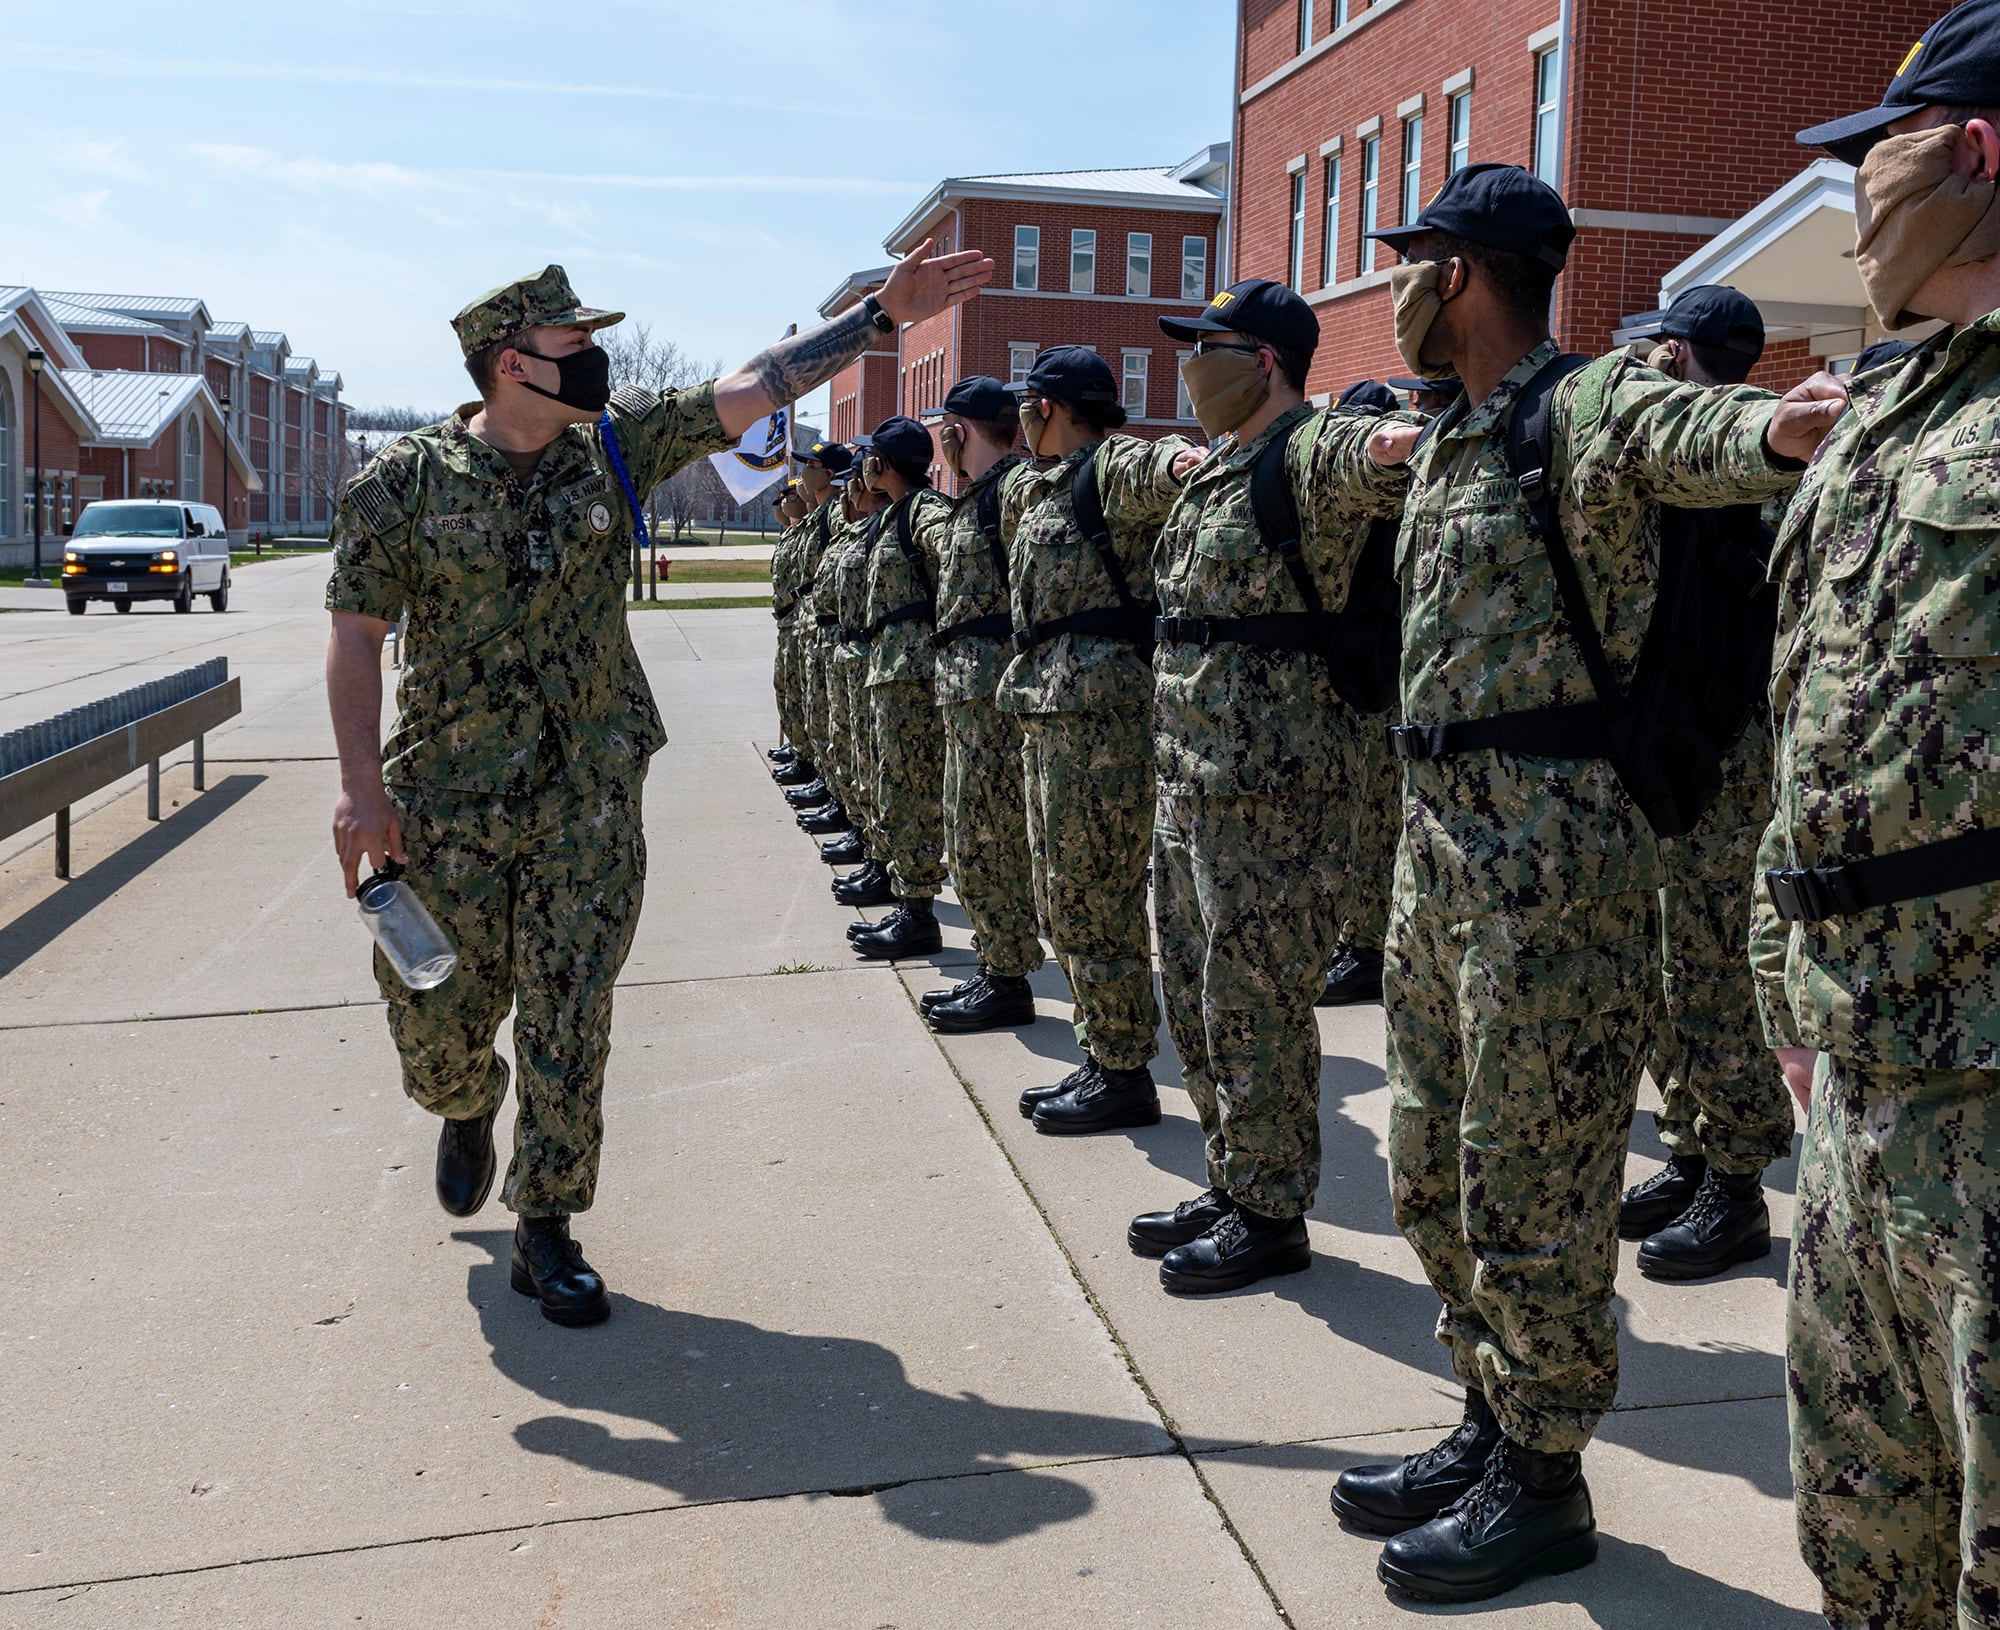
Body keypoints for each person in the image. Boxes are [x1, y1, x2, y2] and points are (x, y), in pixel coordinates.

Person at [1322, 165, 1843, 1600]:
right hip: (1440, 863)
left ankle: (1544, 1478)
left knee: (1535, 1182)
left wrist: (1793, 422)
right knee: (1426, 1164)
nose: (1394, 290)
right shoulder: (1446, 438)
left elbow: (1714, 428)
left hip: (1557, 881)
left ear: (1460, 276)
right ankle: (1492, 1419)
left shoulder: (1591, 407)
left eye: (1409, 264)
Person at [324, 243, 991, 1326]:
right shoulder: (399, 484)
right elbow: (356, 634)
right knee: (436, 1016)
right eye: (571, 342)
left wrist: (874, 317)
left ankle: (546, 1226)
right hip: (446, 796)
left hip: (587, 788)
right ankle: (464, 1101)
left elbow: (749, 388)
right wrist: (361, 787)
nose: (595, 356)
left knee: (570, 1005)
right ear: (509, 364)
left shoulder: (617, 447)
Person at [1774, 12, 2000, 1620]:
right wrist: (1793, 1003)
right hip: (1861, 1072)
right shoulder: (1894, 412)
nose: (1858, 190)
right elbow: (1813, 723)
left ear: (1975, 152)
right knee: (1870, 1535)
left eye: (1884, 151)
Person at [1140, 283, 1420, 1294]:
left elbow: (1371, 453)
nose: (1187, 363)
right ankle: (1231, 1173)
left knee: (1252, 1000)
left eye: (1205, 346)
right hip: (1190, 780)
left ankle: (1270, 1208)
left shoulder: (1304, 455)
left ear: (1261, 359)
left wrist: (1392, 441)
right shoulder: (1219, 466)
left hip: (1273, 788)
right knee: (1195, 990)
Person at [1603, 284, 1801, 1282]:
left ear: (1679, 353)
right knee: (1668, 961)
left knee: (1713, 967)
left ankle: (1734, 1181)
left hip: (1725, 751)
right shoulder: (1713, 449)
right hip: (1678, 734)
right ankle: (1689, 1147)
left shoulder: (1754, 458)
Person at [999, 347, 1200, 1134]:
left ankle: (1122, 1070)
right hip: (1054, 713)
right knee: (1061, 893)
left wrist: (1185, 460)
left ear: (1048, 408)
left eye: (1028, 405)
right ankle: (1101, 1052)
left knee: (1096, 893)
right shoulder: (1042, 484)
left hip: (1102, 723)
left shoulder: (1107, 467)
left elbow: (1154, 466)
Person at [918, 377, 1044, 1033]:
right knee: (972, 843)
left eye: (945, 428)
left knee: (990, 843)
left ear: (958, 431)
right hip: (969, 700)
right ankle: (997, 966)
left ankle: (1007, 977)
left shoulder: (1015, 491)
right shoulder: (974, 500)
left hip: (993, 702)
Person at [1316, 376, 1408, 1011]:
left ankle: (1367, 947)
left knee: (1373, 819)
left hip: (1383, 674)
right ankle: (1357, 938)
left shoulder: (1391, 495)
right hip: (1360, 667)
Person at [849, 416, 952, 959]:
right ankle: (905, 895)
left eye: (871, 457)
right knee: (893, 787)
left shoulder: (925, 512)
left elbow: (957, 563)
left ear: (882, 464)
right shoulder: (891, 515)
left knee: (911, 792)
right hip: (891, 670)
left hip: (915, 675)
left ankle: (919, 915)